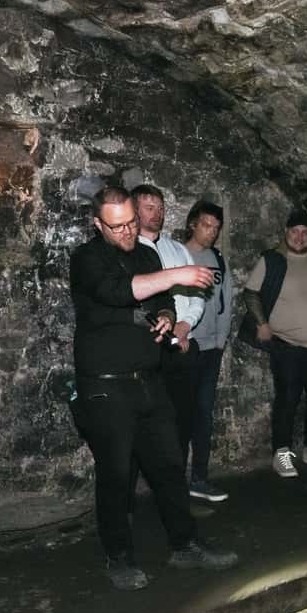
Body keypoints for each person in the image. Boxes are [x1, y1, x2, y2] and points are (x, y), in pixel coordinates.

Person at [70, 186, 238, 591]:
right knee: (116, 474)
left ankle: (185, 545)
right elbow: (118, 292)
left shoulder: (145, 254)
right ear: (98, 224)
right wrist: (178, 273)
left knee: (168, 466)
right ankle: (119, 558)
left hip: (148, 379)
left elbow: (161, 299)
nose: (128, 231)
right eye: (118, 226)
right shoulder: (87, 259)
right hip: (105, 387)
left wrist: (165, 316)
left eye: (131, 222)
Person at [242, 209, 307, 477]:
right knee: (288, 399)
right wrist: (262, 323)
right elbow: (251, 293)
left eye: (305, 232)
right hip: (288, 345)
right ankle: (282, 452)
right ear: (285, 233)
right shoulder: (272, 260)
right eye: (294, 231)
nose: (299, 237)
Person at [134, 185, 205, 465]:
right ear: (135, 210)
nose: (157, 214)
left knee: (183, 419)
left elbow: (198, 295)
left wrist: (185, 325)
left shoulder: (177, 250)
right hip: (148, 351)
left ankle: (177, 481)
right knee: (147, 423)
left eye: (160, 208)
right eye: (149, 208)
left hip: (181, 346)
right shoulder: (130, 253)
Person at [183, 199, 234, 503]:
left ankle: (199, 478)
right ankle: (174, 479)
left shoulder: (218, 258)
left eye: (216, 228)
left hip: (211, 348)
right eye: (206, 225)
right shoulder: (178, 254)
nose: (212, 232)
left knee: (204, 413)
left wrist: (221, 339)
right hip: (186, 346)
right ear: (193, 224)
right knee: (180, 414)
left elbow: (227, 300)